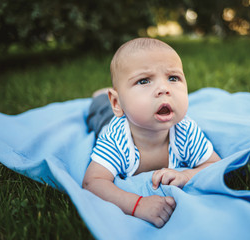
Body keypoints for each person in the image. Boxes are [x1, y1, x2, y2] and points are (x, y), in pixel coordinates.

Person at [82, 38, 221, 228]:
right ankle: (101, 97)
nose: (164, 89)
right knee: (99, 111)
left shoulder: (185, 130)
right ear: (117, 103)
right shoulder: (116, 139)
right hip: (108, 120)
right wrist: (137, 205)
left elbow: (214, 164)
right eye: (144, 80)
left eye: (173, 78)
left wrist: (187, 175)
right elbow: (92, 183)